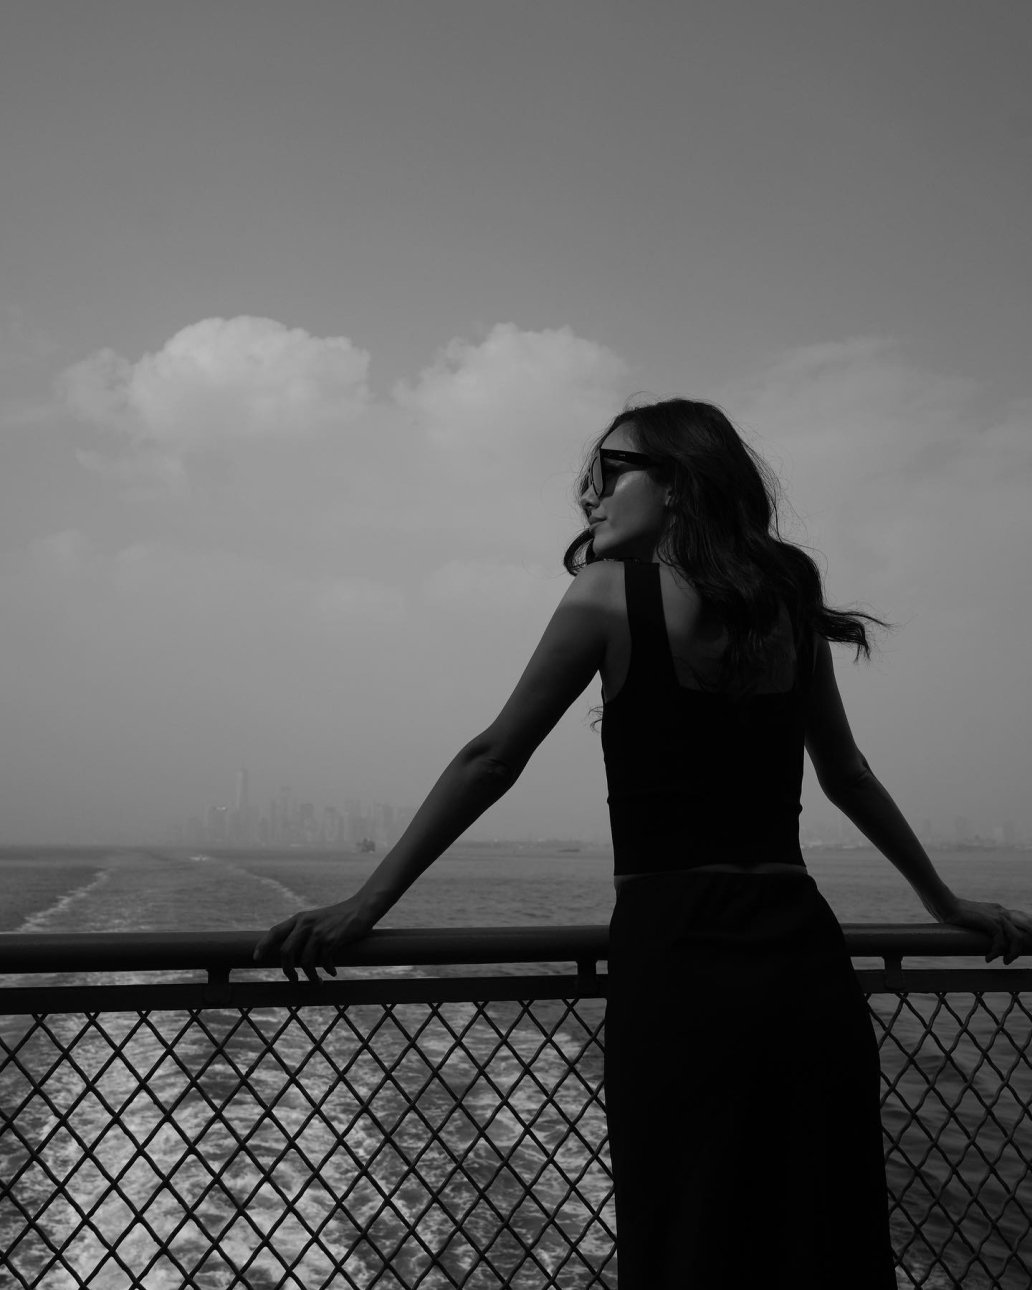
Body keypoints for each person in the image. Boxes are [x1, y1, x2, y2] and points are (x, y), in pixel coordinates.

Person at [253, 397, 1032, 1287]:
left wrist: (366, 904)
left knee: (686, 1224)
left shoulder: (605, 597)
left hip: (677, 956)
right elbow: (846, 774)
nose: (590, 497)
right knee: (822, 1226)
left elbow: (491, 757)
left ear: (679, 482)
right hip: (803, 961)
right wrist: (945, 905)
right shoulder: (788, 602)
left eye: (612, 471)